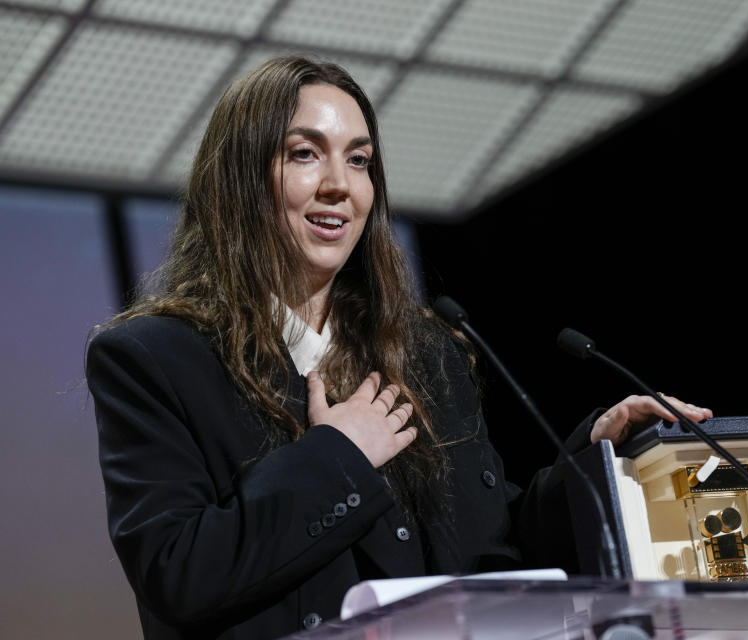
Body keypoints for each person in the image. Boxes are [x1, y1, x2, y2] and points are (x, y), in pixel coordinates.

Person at [86, 56, 712, 639]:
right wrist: (339, 456)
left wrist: (594, 467)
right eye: (305, 154)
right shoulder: (155, 358)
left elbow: (492, 552)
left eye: (359, 161)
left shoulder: (426, 352)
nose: (340, 185)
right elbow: (177, 575)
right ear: (241, 180)